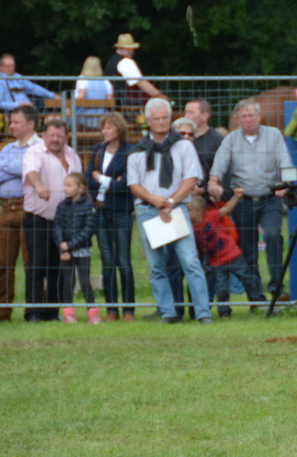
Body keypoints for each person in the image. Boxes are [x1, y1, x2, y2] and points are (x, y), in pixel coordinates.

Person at [127, 98, 211, 324]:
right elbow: (134, 185)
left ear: (170, 118)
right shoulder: (137, 150)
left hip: (177, 209)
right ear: (148, 121)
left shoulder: (184, 146)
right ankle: (168, 312)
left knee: (190, 261)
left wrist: (171, 201)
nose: (162, 122)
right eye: (157, 119)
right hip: (148, 211)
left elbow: (191, 178)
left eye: (165, 118)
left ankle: (203, 312)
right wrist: (154, 200)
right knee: (157, 266)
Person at [208, 100, 295, 304]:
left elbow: (286, 162)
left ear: (259, 116)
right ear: (237, 120)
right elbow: (219, 164)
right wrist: (214, 182)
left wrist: (287, 182)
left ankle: (276, 287)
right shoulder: (230, 140)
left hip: (269, 198)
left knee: (274, 235)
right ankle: (256, 297)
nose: (248, 120)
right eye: (244, 116)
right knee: (248, 249)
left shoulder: (273, 135)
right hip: (243, 201)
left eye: (252, 115)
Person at [22, 116, 84, 321]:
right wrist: (39, 185)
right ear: (43, 135)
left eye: (60, 135)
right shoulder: (34, 152)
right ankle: (33, 312)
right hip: (38, 218)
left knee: (58, 267)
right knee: (37, 266)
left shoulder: (72, 155)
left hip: (65, 222)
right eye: (51, 135)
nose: (55, 139)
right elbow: (32, 173)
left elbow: (79, 184)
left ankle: (52, 312)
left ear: (66, 136)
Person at [0, 105, 40, 320]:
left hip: (29, 208)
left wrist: (16, 167)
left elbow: (30, 170)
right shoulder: (8, 148)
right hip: (6, 208)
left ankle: (33, 309)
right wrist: (20, 167)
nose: (11, 126)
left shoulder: (39, 147)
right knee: (3, 262)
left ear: (30, 124)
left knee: (31, 262)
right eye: (10, 122)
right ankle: (3, 310)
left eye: (15, 122)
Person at [88, 111, 136, 320]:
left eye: (108, 127)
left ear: (118, 129)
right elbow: (89, 180)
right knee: (107, 260)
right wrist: (110, 181)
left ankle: (128, 309)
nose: (104, 131)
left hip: (122, 212)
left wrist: (102, 179)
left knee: (123, 261)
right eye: (103, 127)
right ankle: (111, 309)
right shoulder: (98, 149)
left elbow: (124, 185)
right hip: (100, 211)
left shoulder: (129, 151)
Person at [189, 190, 253, 319]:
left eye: (190, 211)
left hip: (232, 254)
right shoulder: (190, 227)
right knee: (222, 288)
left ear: (200, 210)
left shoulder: (211, 216)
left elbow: (226, 208)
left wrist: (236, 196)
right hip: (216, 261)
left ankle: (259, 301)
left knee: (248, 279)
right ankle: (224, 311)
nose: (187, 214)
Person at [54, 172, 100, 323]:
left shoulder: (89, 206)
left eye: (69, 185)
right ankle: (68, 312)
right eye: (64, 186)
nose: (65, 189)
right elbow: (57, 227)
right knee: (68, 282)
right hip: (65, 251)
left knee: (85, 281)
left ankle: (92, 313)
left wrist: (71, 244)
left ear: (80, 188)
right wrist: (63, 248)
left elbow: (89, 229)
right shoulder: (62, 206)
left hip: (82, 250)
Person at [0, 55, 57, 159]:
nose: (10, 68)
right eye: (7, 66)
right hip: (11, 114)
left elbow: (33, 88)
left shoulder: (17, 77)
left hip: (29, 112)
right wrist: (19, 105)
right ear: (0, 67)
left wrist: (52, 95)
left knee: (53, 118)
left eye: (12, 66)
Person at [104, 32, 161, 116]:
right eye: (129, 48)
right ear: (122, 48)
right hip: (127, 104)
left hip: (115, 104)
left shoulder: (111, 61)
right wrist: (159, 96)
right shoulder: (126, 62)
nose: (131, 51)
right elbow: (142, 83)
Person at [183, 99, 223, 181]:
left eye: (191, 113)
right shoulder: (179, 138)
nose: (186, 117)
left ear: (204, 116)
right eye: (185, 112)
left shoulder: (217, 140)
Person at [74, 56, 114, 127]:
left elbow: (80, 97)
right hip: (102, 116)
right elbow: (109, 100)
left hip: (85, 116)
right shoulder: (105, 81)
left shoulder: (83, 79)